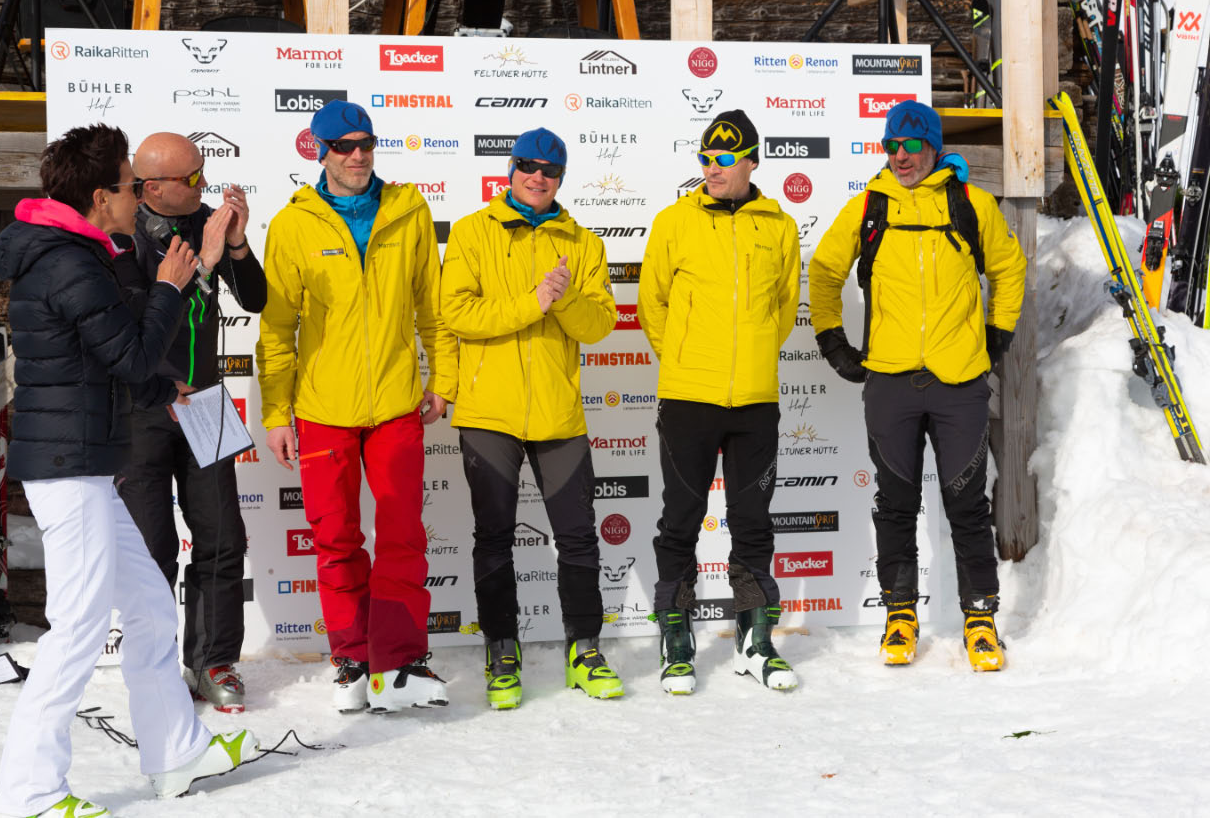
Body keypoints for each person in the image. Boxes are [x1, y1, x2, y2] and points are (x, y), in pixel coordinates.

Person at [0, 125, 256, 818]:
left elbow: (112, 355)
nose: (141, 196)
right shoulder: (68, 262)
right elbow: (134, 355)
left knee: (147, 606)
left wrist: (167, 385)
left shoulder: (78, 253)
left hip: (86, 461)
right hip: (70, 466)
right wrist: (171, 286)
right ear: (100, 195)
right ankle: (29, 791)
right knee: (77, 627)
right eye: (132, 186)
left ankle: (175, 751)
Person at [808, 100, 1026, 672]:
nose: (900, 157)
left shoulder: (970, 203)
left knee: (967, 504)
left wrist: (997, 334)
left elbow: (1008, 269)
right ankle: (899, 615)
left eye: (910, 145)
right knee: (895, 503)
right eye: (891, 146)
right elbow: (824, 271)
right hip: (891, 381)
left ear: (932, 146)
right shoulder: (869, 206)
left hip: (959, 381)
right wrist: (832, 338)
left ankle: (980, 618)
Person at [256, 100, 458, 713]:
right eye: (343, 146)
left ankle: (399, 663)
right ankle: (352, 659)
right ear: (319, 151)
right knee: (336, 538)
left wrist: (443, 378)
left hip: (396, 403)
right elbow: (276, 329)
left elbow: (432, 307)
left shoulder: (408, 210)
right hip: (323, 410)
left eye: (366, 143)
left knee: (402, 535)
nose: (357, 155)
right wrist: (276, 414)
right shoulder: (293, 224)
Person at [440, 127, 623, 709]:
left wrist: (564, 298)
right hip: (488, 412)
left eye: (550, 170)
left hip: (558, 414)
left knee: (578, 537)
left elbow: (599, 326)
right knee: (493, 537)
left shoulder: (583, 242)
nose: (537, 177)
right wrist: (534, 302)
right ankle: (502, 649)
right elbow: (457, 313)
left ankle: (585, 649)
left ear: (561, 178)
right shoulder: (472, 231)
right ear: (511, 169)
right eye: (528, 166)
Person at [638, 110, 802, 695]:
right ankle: (675, 637)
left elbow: (783, 308)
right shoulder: (673, 222)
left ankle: (754, 639)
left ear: (751, 161)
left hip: (755, 400)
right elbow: (652, 305)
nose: (713, 168)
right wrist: (686, 361)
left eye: (725, 159)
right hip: (688, 398)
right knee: (680, 520)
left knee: (753, 523)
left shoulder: (779, 227)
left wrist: (750, 357)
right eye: (706, 158)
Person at [115, 131, 267, 714]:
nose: (205, 184)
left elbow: (255, 300)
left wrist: (236, 246)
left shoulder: (207, 221)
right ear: (152, 188)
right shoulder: (123, 235)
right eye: (193, 177)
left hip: (207, 402)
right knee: (152, 549)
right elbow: (141, 321)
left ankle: (213, 661)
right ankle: (154, 667)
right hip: (143, 407)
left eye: (204, 171)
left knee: (223, 537)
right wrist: (202, 261)